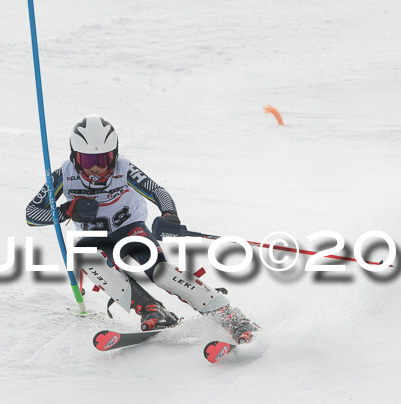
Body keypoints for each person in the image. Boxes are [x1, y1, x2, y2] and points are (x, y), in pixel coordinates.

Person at [26, 115, 258, 343]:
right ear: (74, 157)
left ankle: (232, 318)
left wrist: (169, 216)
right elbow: (32, 214)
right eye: (87, 161)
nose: (96, 167)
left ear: (114, 154)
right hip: (95, 238)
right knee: (85, 257)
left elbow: (158, 192)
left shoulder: (124, 168)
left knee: (161, 273)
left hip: (129, 229)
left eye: (104, 158)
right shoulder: (63, 175)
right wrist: (67, 210)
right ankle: (152, 310)